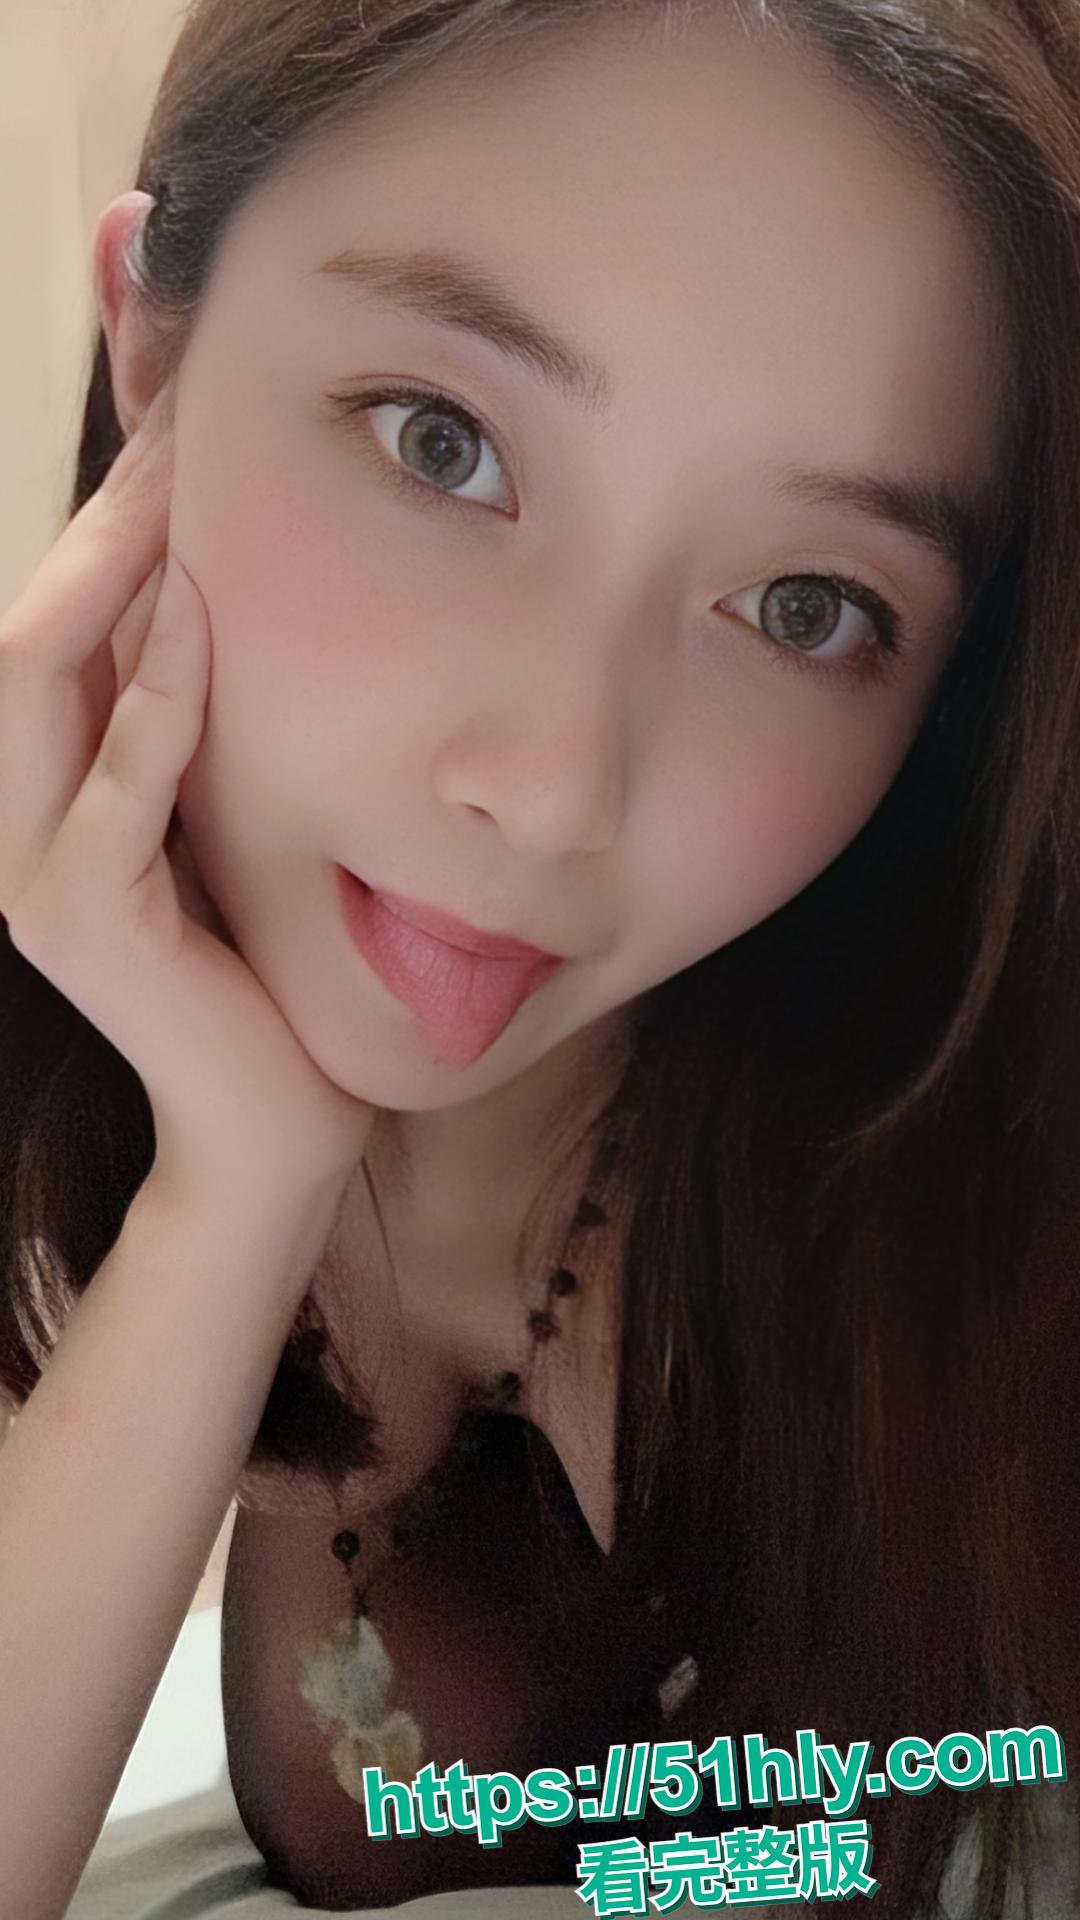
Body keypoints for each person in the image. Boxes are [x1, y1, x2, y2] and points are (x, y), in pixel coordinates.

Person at [1, 0, 1079, 1912]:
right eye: (446, 445)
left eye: (805, 605)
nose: (558, 789)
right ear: (152, 348)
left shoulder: (982, 1177)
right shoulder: (38, 1092)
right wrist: (232, 1194)